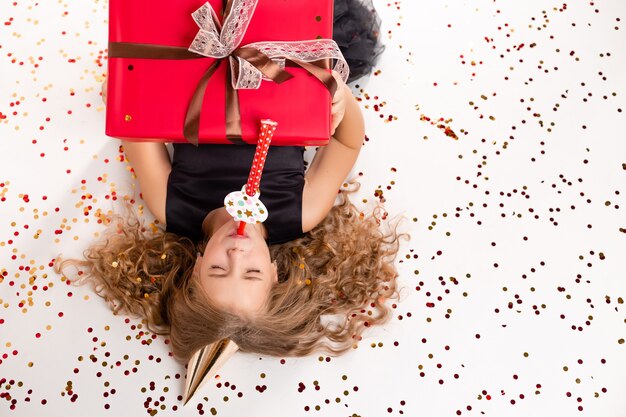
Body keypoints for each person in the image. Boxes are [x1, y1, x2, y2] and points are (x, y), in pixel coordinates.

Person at [58, 0, 404, 361]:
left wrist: (124, 95)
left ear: (196, 267)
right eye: (251, 272)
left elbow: (137, 133)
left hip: (200, 51)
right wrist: (338, 99)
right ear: (274, 274)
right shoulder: (299, 213)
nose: (237, 254)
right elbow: (347, 143)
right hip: (283, 59)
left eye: (219, 269)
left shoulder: (171, 207)